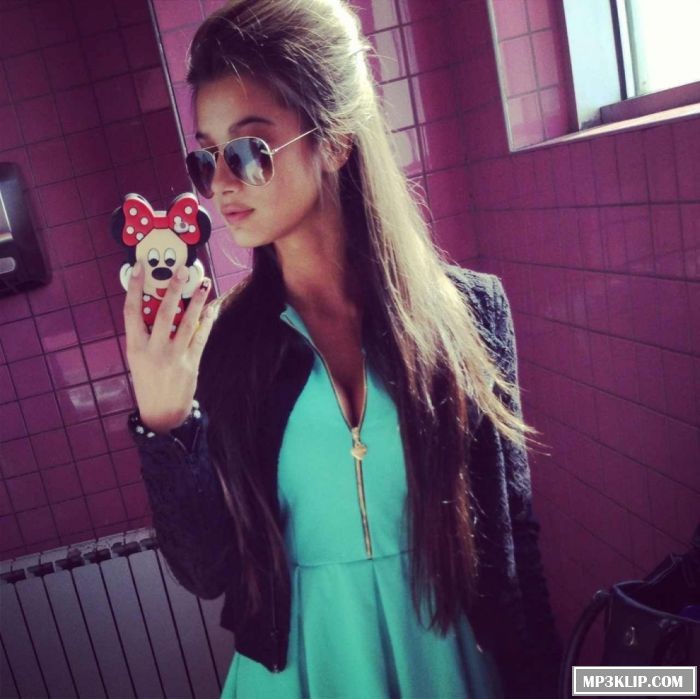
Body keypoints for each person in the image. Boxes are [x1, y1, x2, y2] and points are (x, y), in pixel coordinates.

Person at [125, 1, 563, 697]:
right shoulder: (224, 344)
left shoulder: (469, 314)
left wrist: (544, 681)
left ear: (335, 142)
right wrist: (165, 421)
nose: (220, 184)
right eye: (205, 158)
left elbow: (515, 540)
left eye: (247, 151)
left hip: (448, 664)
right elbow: (207, 571)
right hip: (302, 671)